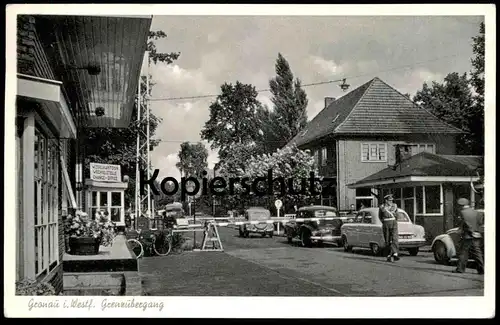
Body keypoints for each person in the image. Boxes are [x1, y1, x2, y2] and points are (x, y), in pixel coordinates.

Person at [453, 198, 484, 274]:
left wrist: (468, 231)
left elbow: (464, 224)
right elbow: (480, 222)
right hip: (477, 235)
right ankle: (482, 269)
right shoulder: (475, 212)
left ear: (461, 205)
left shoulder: (462, 212)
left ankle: (460, 269)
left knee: (463, 252)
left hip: (468, 235)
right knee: (477, 253)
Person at [379, 194, 399, 262]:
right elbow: (380, 217)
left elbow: (397, 215)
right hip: (386, 224)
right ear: (386, 201)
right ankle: (388, 255)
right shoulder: (382, 207)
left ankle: (395, 254)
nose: (391, 201)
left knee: (395, 238)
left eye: (391, 200)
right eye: (389, 200)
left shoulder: (395, 206)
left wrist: (394, 220)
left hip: (393, 223)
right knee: (387, 240)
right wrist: (384, 222)